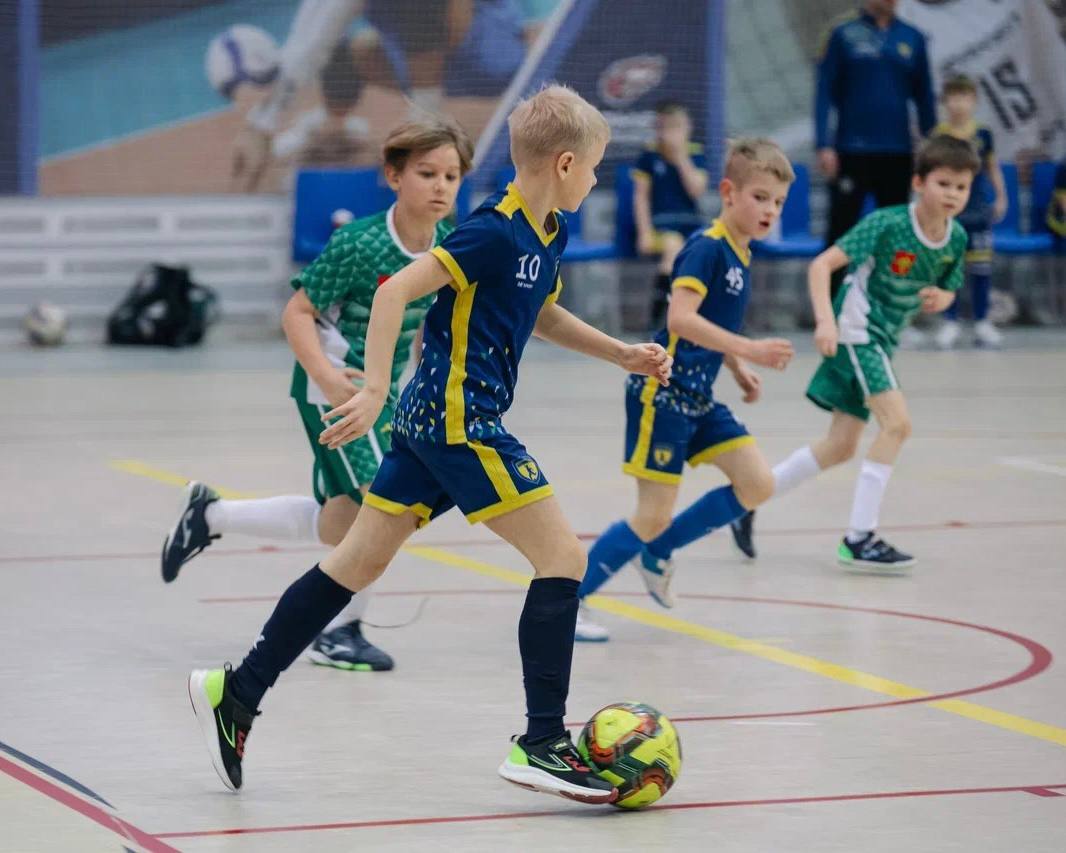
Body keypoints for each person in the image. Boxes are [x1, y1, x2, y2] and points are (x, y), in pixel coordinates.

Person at [186, 85, 673, 801]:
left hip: (431, 426)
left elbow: (543, 313)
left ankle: (236, 691)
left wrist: (620, 353)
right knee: (563, 559)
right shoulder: (491, 231)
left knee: (356, 561)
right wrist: (373, 388)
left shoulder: (548, 232)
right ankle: (542, 744)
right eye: (595, 167)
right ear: (565, 164)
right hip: (458, 420)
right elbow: (394, 293)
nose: (596, 179)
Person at [162, 118, 473, 671]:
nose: (441, 186)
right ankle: (339, 630)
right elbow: (298, 311)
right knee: (386, 503)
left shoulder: (448, 245)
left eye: (451, 176)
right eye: (427, 173)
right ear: (394, 176)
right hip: (334, 387)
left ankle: (212, 516)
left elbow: (425, 324)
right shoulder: (359, 243)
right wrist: (329, 380)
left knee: (340, 521)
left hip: (382, 394)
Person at [575, 139, 795, 642]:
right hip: (663, 393)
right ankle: (566, 604)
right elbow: (680, 318)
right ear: (729, 192)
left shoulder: (741, 251)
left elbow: (710, 324)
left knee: (757, 484)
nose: (770, 210)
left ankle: (658, 552)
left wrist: (735, 365)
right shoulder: (707, 247)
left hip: (699, 398)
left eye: (779, 202)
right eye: (760, 197)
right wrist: (749, 347)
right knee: (651, 514)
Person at [733, 136, 979, 571]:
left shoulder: (956, 237)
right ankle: (859, 538)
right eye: (943, 184)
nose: (952, 194)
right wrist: (826, 321)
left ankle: (748, 500)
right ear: (919, 183)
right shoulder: (886, 223)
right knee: (897, 425)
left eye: (961, 187)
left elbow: (950, 284)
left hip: (883, 340)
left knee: (840, 445)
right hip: (858, 331)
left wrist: (943, 296)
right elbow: (821, 265)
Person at [815, 0, 936, 296]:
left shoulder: (913, 37)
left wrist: (932, 150)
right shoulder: (843, 34)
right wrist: (823, 144)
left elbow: (924, 97)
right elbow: (824, 93)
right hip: (851, 151)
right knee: (841, 231)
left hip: (898, 153)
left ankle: (891, 303)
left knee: (897, 234)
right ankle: (830, 305)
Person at [931, 75, 1008, 349]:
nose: (959, 104)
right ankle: (949, 322)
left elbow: (992, 168)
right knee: (947, 268)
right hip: (948, 213)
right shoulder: (938, 134)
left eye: (964, 97)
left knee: (981, 268)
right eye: (953, 97)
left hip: (978, 210)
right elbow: (930, 174)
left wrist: (1001, 197)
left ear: (974, 101)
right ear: (945, 101)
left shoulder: (983, 134)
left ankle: (982, 322)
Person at [632, 101, 709, 329]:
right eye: (666, 127)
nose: (671, 133)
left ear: (687, 128)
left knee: (711, 249)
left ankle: (718, 318)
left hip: (691, 222)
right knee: (674, 247)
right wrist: (644, 233)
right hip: (662, 224)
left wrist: (681, 157)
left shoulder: (695, 154)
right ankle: (658, 319)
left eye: (677, 127)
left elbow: (697, 189)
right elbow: (641, 198)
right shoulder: (649, 156)